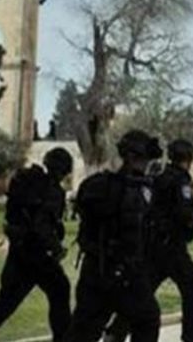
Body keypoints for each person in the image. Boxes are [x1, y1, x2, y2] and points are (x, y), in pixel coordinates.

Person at [103, 139, 193, 342]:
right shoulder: (180, 180)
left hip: (154, 246)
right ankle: (192, 336)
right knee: (191, 285)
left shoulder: (160, 177)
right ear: (189, 158)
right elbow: (184, 214)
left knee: (143, 291)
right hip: (173, 246)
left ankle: (116, 331)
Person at [63, 130, 163, 342]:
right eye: (143, 159)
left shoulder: (97, 185)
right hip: (123, 273)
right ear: (132, 157)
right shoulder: (135, 191)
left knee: (83, 331)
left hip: (94, 269)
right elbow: (134, 236)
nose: (146, 165)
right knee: (147, 320)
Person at [0, 148, 74, 342]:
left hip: (19, 250)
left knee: (6, 300)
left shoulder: (30, 184)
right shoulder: (52, 191)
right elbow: (42, 226)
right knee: (60, 289)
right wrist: (56, 248)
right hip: (37, 254)